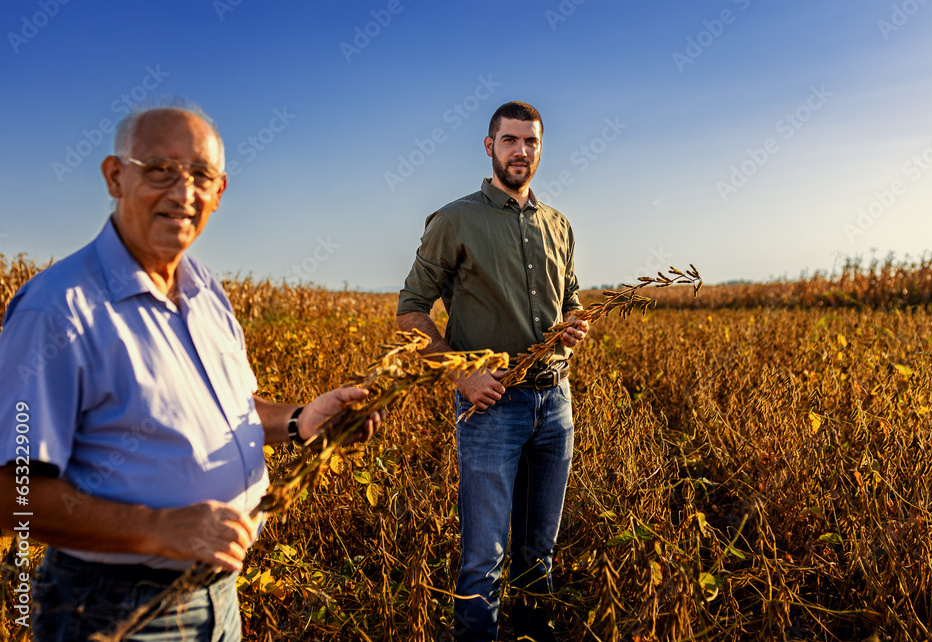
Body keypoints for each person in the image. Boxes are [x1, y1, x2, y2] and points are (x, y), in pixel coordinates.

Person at [0, 103, 382, 641]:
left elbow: (231, 412)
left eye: (201, 176)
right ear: (115, 176)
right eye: (159, 169)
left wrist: (301, 418)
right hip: (111, 607)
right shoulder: (57, 310)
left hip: (217, 592)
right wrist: (160, 529)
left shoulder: (205, 292)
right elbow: (12, 497)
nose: (183, 193)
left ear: (220, 192)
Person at [397, 101, 589, 641]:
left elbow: (570, 297)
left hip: (555, 405)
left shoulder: (559, 225)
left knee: (538, 555)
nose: (520, 151)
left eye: (530, 142)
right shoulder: (454, 220)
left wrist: (575, 323)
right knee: (484, 560)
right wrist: (461, 374)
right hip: (490, 407)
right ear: (490, 147)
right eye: (510, 140)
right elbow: (411, 311)